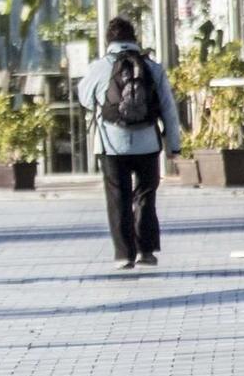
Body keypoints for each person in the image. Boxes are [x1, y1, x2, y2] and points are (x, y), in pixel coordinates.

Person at [76, 17, 181, 269]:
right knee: (145, 196)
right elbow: (168, 108)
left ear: (108, 41)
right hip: (147, 143)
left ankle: (124, 254)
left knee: (118, 197)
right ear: (134, 38)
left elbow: (84, 98)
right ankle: (146, 250)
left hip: (110, 144)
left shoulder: (99, 68)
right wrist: (173, 145)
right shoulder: (152, 68)